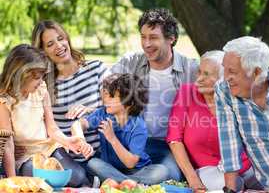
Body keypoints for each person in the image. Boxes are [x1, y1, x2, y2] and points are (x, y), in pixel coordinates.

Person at [110, 8, 199, 181]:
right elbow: (106, 86)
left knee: (170, 175)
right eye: (143, 37)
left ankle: (121, 180)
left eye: (153, 37)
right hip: (134, 141)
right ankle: (134, 179)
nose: (146, 44)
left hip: (170, 145)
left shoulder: (191, 70)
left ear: (171, 39)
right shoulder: (131, 62)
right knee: (98, 162)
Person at [166, 50, 262, 192]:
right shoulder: (186, 93)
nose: (198, 79)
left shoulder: (236, 98)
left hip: (244, 166)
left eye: (206, 74)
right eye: (199, 72)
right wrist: (192, 178)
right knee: (231, 184)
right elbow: (174, 139)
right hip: (208, 170)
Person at [215, 36, 269, 193]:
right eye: (224, 69)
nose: (226, 77)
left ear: (256, 72)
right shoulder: (224, 91)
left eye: (232, 71)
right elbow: (229, 142)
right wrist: (230, 191)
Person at [0, 44, 93, 187]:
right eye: (37, 77)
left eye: (42, 76)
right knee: (44, 180)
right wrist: (12, 180)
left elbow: (51, 127)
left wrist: (67, 141)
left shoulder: (41, 90)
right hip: (25, 157)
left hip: (49, 149)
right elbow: (8, 144)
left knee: (78, 176)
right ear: (21, 76)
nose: (41, 81)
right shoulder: (5, 101)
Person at [31, 20, 109, 182]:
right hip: (68, 157)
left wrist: (88, 110)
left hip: (104, 152)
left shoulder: (96, 69)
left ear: (67, 39)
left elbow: (118, 109)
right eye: (50, 44)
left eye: (61, 38)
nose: (59, 46)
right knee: (77, 176)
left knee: (97, 167)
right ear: (43, 52)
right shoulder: (44, 85)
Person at [75, 73, 168, 184]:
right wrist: (81, 140)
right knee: (93, 163)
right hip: (110, 168)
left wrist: (112, 138)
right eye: (106, 94)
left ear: (129, 102)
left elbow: (131, 163)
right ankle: (131, 184)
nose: (105, 100)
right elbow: (78, 124)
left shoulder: (138, 126)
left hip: (137, 170)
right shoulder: (103, 114)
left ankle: (118, 182)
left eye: (112, 96)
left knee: (161, 172)